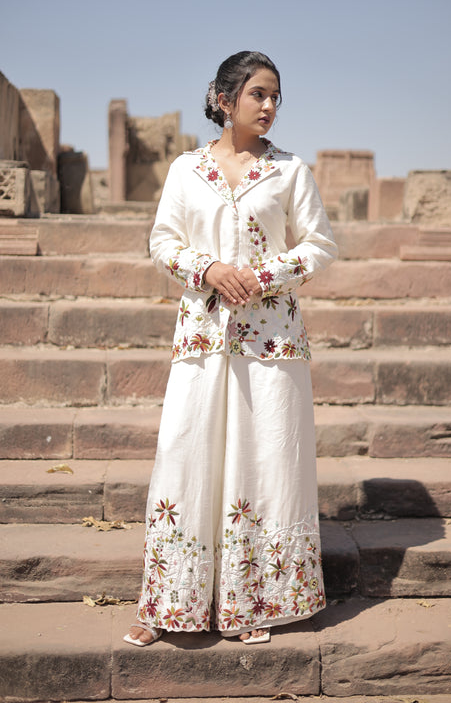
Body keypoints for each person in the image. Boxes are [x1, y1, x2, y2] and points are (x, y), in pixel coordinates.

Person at [124, 50, 338, 647]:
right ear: (225, 99)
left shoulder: (290, 171)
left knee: (266, 460)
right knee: (186, 455)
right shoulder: (186, 170)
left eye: (275, 97)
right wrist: (209, 269)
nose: (269, 106)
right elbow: (163, 241)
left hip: (272, 342)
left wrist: (264, 276)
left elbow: (320, 245)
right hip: (203, 334)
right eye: (258, 94)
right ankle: (169, 601)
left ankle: (255, 601)